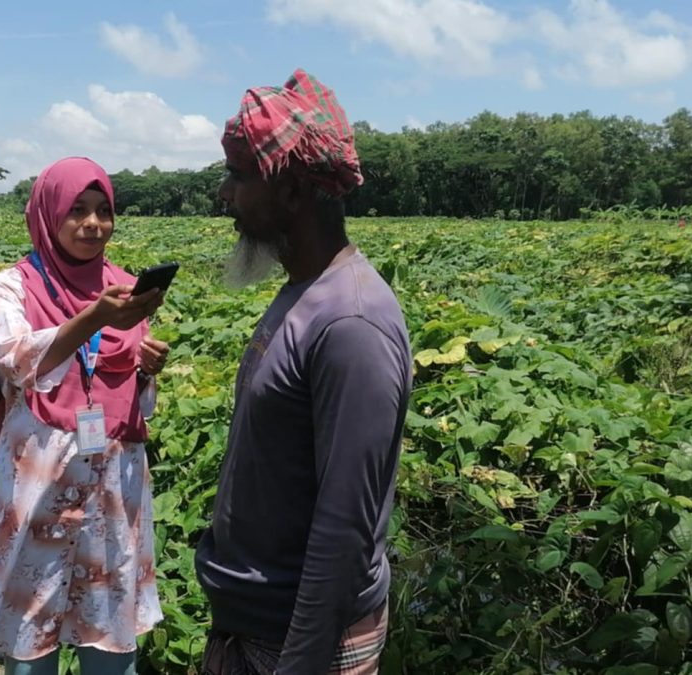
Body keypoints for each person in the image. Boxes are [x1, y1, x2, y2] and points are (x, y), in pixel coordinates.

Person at [195, 69, 412, 675]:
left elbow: (344, 532)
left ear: (290, 192)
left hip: (300, 642)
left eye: (238, 177)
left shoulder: (351, 323)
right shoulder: (304, 291)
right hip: (256, 623)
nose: (225, 196)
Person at [0, 157, 170, 675]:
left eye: (103, 211)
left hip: (111, 479)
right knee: (32, 621)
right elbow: (19, 358)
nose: (93, 224)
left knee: (108, 611)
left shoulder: (124, 288)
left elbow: (128, 400)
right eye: (76, 211)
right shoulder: (9, 287)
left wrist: (145, 369)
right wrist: (94, 316)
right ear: (48, 213)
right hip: (40, 477)